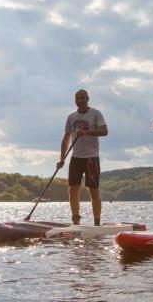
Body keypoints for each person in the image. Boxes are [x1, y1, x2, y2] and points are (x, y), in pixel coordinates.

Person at [56, 89, 108, 226]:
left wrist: (86, 132)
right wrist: (61, 159)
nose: (80, 101)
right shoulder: (71, 117)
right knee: (73, 189)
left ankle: (97, 223)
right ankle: (76, 221)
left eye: (83, 98)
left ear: (88, 98)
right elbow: (66, 139)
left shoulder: (96, 114)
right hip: (76, 158)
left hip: (92, 158)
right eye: (78, 98)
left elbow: (104, 131)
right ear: (75, 100)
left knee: (93, 190)